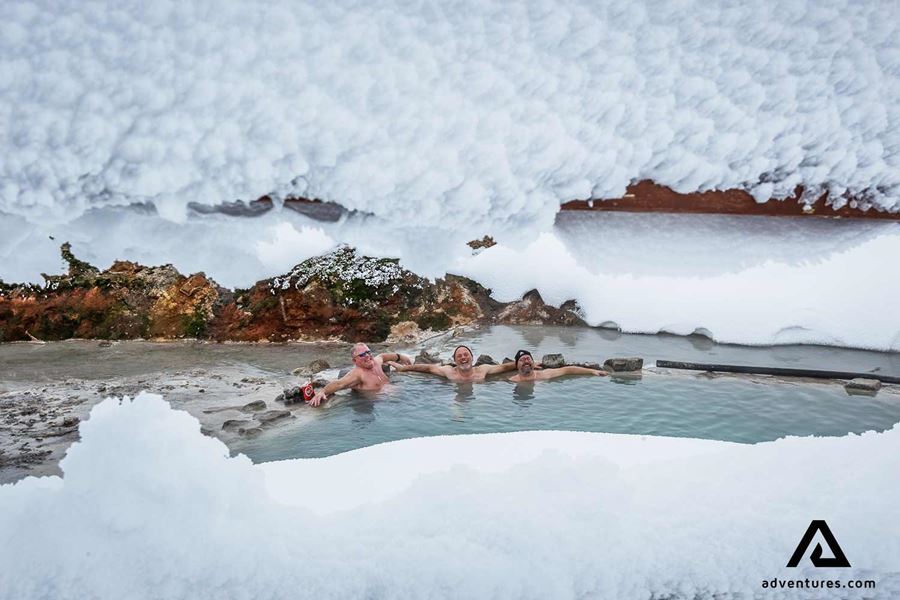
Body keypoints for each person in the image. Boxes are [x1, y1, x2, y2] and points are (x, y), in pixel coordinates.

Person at [307, 343, 412, 406]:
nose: (367, 356)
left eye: (368, 352)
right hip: (383, 406)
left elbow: (384, 356)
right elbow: (339, 384)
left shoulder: (376, 362)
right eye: (362, 355)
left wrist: (401, 357)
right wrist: (322, 392)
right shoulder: (357, 374)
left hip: (399, 399)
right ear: (354, 361)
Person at [387, 344, 517, 382]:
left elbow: (504, 366)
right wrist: (403, 369)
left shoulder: (482, 370)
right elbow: (428, 368)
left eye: (466, 355)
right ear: (455, 360)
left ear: (472, 357)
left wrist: (529, 363)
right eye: (459, 356)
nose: (463, 358)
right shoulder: (449, 371)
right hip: (456, 397)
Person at [508, 349, 607, 382]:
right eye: (522, 360)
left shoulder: (544, 375)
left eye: (528, 359)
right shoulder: (512, 381)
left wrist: (593, 371)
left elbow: (567, 370)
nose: (526, 361)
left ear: (533, 363)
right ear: (517, 365)